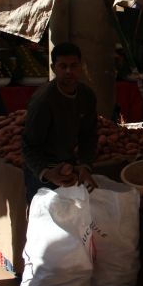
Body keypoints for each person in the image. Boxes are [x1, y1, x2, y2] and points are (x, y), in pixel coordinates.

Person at [22, 42, 98, 203]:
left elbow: (89, 134)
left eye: (73, 66)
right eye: (63, 66)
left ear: (81, 66)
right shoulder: (43, 101)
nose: (69, 71)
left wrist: (85, 166)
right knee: (44, 218)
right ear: (53, 67)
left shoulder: (87, 96)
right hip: (42, 169)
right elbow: (28, 146)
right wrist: (47, 173)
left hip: (67, 165)